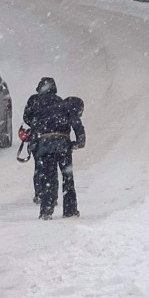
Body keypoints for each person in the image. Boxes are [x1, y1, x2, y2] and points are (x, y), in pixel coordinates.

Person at [23, 77, 86, 220]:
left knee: (48, 177)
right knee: (67, 177)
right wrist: (80, 140)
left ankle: (46, 210)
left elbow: (27, 120)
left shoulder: (35, 103)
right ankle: (69, 210)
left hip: (44, 144)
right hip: (63, 143)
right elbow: (76, 123)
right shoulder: (63, 104)